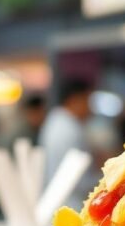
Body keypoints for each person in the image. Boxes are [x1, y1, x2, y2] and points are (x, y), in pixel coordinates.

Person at [40, 78, 97, 208]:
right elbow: (80, 180)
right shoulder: (70, 129)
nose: (90, 108)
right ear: (75, 100)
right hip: (71, 203)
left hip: (55, 202)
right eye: (88, 101)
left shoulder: (55, 121)